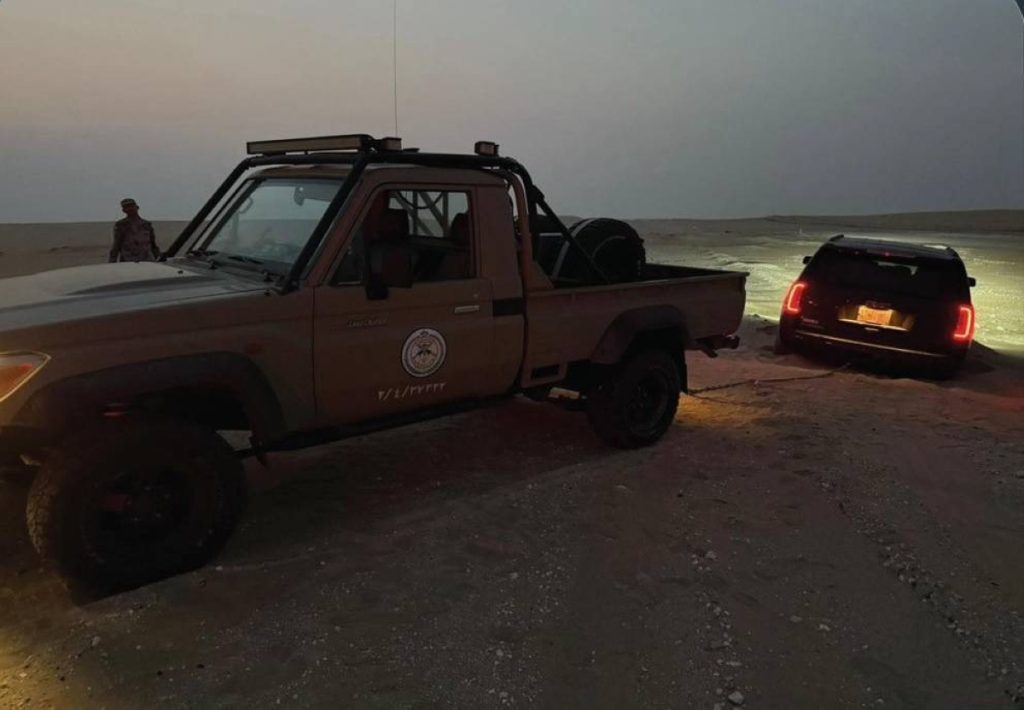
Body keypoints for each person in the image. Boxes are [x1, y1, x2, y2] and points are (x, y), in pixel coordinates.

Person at [109, 198, 160, 262]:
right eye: (126, 207)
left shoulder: (146, 224)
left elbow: (153, 244)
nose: (130, 208)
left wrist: (158, 258)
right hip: (128, 260)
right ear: (123, 210)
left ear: (137, 207)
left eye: (132, 206)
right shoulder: (121, 225)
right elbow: (116, 245)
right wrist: (112, 261)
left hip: (147, 260)